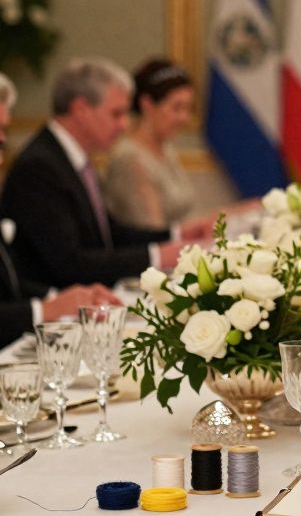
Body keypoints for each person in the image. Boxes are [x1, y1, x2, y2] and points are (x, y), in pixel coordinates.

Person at [0, 58, 197, 292]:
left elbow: (108, 233)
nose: (124, 125)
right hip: (54, 314)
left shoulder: (73, 157)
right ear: (81, 110)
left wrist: (176, 234)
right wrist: (157, 255)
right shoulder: (39, 166)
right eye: (116, 114)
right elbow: (70, 263)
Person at [0, 71, 120, 348]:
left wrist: (65, 298)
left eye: (5, 131)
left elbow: (11, 282)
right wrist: (45, 310)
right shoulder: (38, 166)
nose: (3, 144)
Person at [103, 58, 197, 232]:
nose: (185, 118)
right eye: (177, 108)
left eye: (188, 108)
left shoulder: (165, 147)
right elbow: (152, 233)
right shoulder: (129, 158)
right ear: (147, 104)